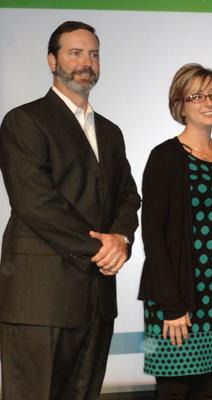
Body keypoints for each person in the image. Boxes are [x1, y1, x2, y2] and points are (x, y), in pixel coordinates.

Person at [0, 21, 140, 399]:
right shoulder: (23, 120)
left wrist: (122, 238)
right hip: (40, 300)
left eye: (93, 54)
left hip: (96, 302)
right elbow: (35, 202)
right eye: (75, 53)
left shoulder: (110, 132)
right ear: (52, 60)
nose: (86, 62)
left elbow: (128, 196)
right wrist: (100, 248)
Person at [138, 63, 212, 399]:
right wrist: (172, 305)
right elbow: (152, 234)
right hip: (177, 295)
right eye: (197, 95)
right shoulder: (165, 156)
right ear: (180, 104)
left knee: (208, 390)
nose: (208, 102)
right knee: (173, 389)